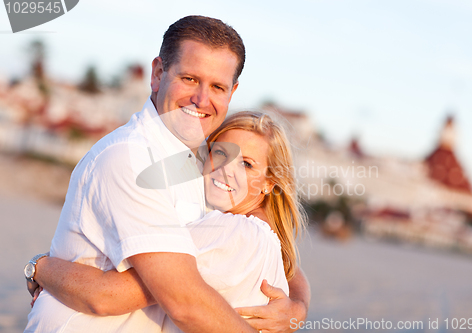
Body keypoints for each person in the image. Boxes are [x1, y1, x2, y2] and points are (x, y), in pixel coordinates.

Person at [24, 15, 310, 333]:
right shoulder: (130, 159)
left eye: (217, 86)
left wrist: (297, 306)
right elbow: (178, 300)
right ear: (158, 73)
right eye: (189, 79)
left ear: (232, 92)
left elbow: (268, 247)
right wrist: (41, 267)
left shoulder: (203, 164)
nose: (202, 99)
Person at [30, 111, 307, 333]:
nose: (226, 169)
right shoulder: (267, 242)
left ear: (269, 184)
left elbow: (105, 296)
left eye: (246, 164)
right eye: (222, 153)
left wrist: (40, 267)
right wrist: (300, 309)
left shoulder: (230, 232)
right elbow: (295, 274)